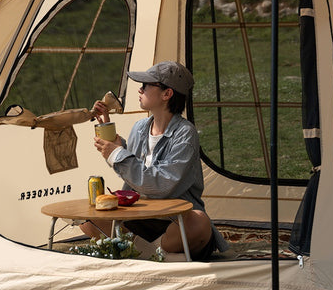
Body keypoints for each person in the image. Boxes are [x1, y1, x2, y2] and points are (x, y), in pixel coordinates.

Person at [80, 61, 227, 260]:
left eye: (146, 85)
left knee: (199, 223)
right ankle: (157, 256)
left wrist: (116, 154)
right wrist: (109, 134)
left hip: (175, 219)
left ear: (167, 94)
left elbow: (162, 184)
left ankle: (137, 251)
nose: (140, 89)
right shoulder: (140, 127)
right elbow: (133, 169)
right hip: (141, 215)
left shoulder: (185, 134)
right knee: (86, 219)